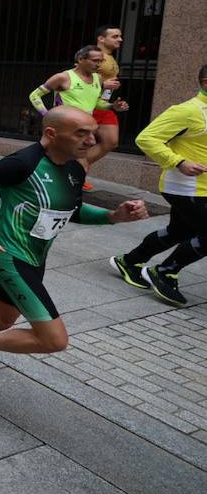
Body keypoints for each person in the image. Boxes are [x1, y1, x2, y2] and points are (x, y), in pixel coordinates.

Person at [0, 107, 148, 394]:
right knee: (54, 340)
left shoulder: (75, 168)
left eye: (93, 133)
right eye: (81, 133)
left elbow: (72, 210)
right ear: (51, 134)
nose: (92, 141)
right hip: (7, 255)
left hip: (34, 256)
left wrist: (113, 216)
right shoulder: (23, 162)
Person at [110, 64, 207, 307]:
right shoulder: (188, 110)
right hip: (185, 187)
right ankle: (164, 272)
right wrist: (179, 161)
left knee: (180, 231)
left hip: (202, 188)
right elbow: (146, 138)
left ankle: (129, 261)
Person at [27, 45, 128, 185]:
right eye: (94, 60)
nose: (98, 64)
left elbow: (96, 102)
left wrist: (112, 106)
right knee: (78, 166)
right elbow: (35, 95)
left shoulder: (98, 78)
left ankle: (53, 186)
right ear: (81, 59)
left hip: (85, 129)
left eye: (101, 61)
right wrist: (48, 114)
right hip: (66, 128)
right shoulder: (63, 77)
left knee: (71, 164)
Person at [91, 24, 128, 169]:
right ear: (101, 38)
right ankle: (76, 172)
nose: (120, 39)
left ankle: (79, 168)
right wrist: (102, 85)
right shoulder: (92, 55)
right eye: (115, 36)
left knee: (111, 141)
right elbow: (78, 77)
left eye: (120, 36)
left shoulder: (110, 58)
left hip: (104, 105)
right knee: (80, 142)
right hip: (87, 105)